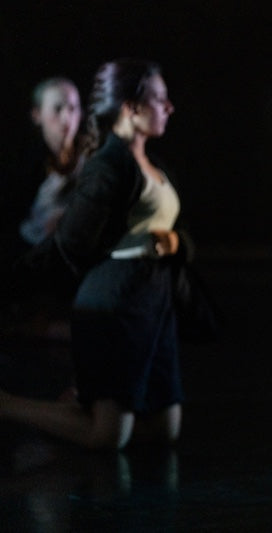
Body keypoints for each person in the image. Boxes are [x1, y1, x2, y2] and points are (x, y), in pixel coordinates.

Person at [0, 59, 183, 450]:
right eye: (159, 99)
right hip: (115, 299)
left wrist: (173, 244)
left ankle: (83, 406)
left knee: (163, 429)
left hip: (152, 302)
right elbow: (70, 247)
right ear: (131, 107)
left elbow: (167, 226)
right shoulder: (107, 164)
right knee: (109, 436)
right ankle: (7, 404)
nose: (169, 107)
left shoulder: (147, 163)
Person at [0, 77, 86, 337]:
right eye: (57, 109)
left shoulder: (92, 157)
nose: (67, 117)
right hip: (32, 255)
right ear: (37, 115)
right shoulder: (22, 164)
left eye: (73, 108)